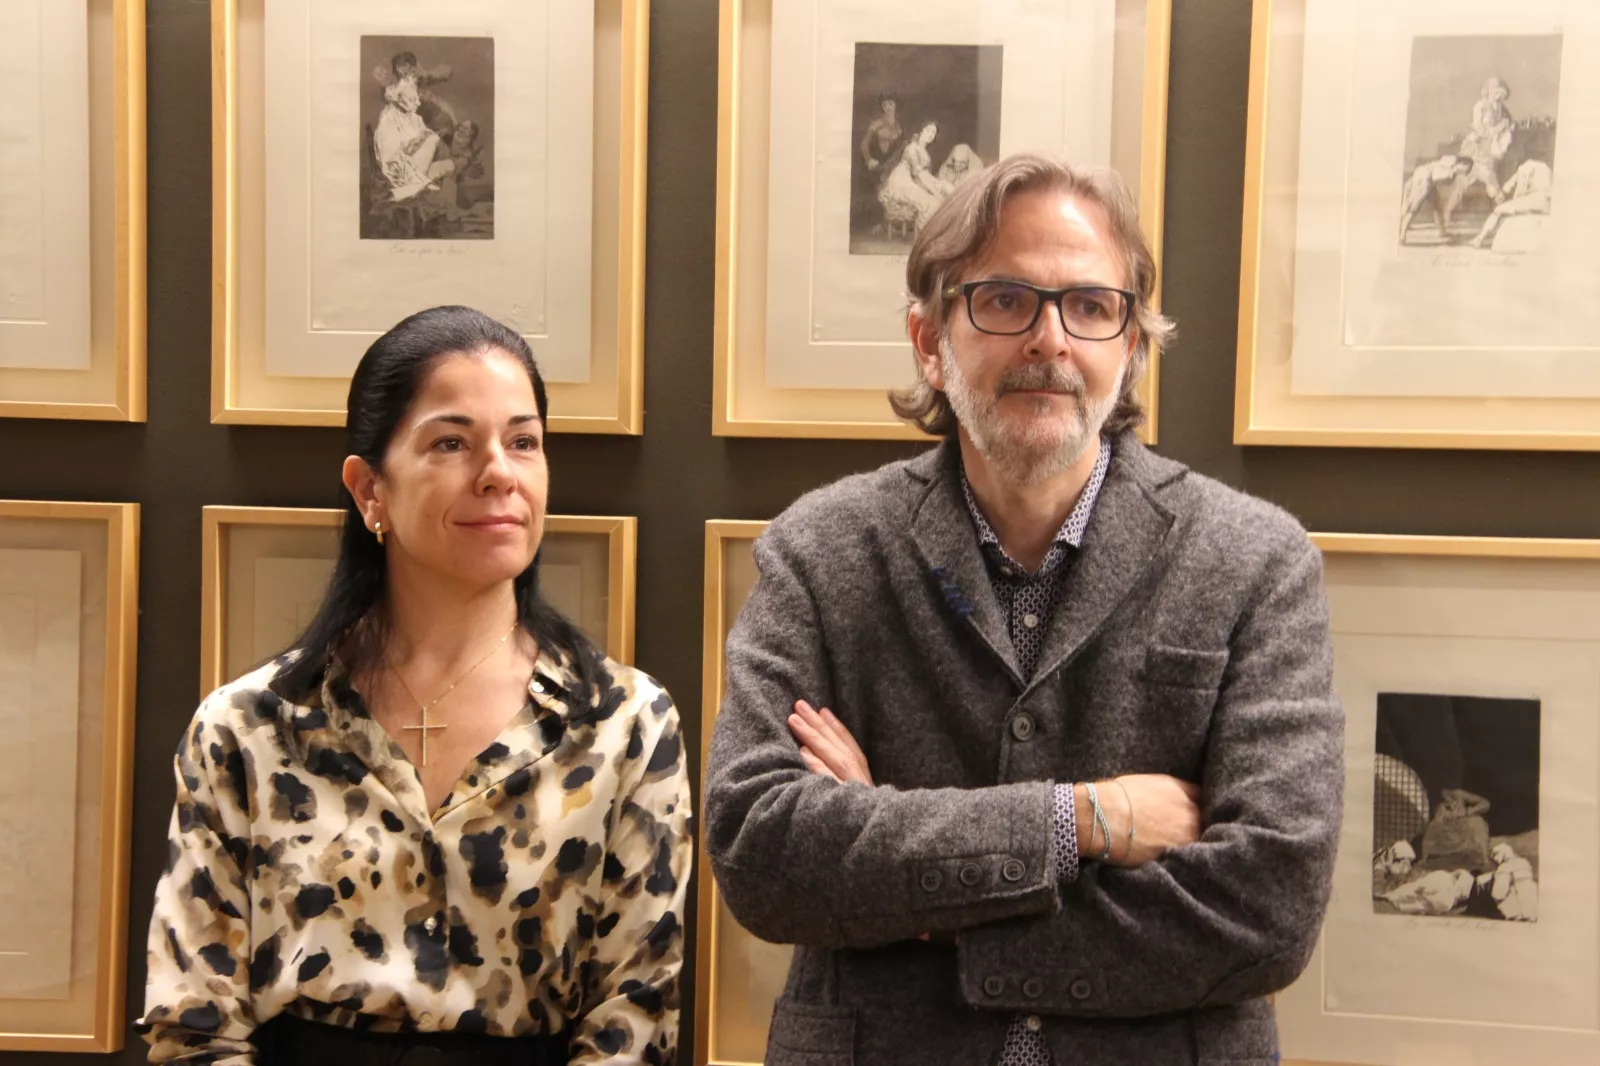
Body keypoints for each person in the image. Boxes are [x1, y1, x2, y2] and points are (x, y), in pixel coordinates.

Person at [704, 154, 1343, 1065]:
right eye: (1005, 300)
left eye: (1090, 306)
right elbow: (761, 852)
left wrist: (911, 892)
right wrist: (1080, 819)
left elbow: (1271, 904)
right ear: (930, 340)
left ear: (1131, 345)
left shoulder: (1255, 560)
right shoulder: (822, 549)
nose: (1050, 338)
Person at [137, 306, 692, 1065]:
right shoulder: (247, 728)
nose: (499, 470)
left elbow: (636, 1017)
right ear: (370, 490)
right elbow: (193, 1022)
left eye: (523, 442)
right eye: (452, 442)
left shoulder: (624, 723)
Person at [374, 78, 456, 201]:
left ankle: (412, 188)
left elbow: (422, 148)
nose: (418, 103)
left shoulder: (416, 119)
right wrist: (423, 138)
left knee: (450, 165)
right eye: (413, 99)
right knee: (432, 137)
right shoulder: (389, 118)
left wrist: (427, 138)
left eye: (417, 98)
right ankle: (414, 186)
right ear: (400, 99)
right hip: (399, 169)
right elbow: (392, 155)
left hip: (417, 168)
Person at [877, 121, 954, 237]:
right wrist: (937, 194)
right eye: (928, 131)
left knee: (947, 187)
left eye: (934, 132)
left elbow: (925, 176)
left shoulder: (924, 151)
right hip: (901, 183)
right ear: (920, 131)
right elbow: (919, 175)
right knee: (933, 202)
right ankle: (928, 237)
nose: (931, 134)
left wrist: (940, 186)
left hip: (915, 181)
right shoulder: (912, 148)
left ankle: (952, 232)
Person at [1469, 157, 1552, 248]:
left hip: (1532, 201)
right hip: (1546, 203)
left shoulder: (1525, 166)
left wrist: (1507, 197)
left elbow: (1519, 187)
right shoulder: (1547, 169)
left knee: (1498, 210)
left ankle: (1479, 239)